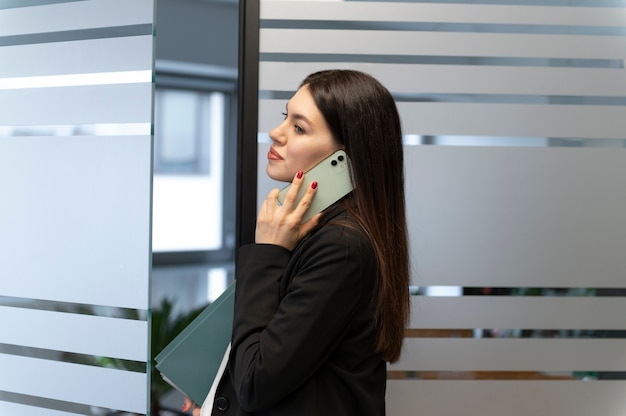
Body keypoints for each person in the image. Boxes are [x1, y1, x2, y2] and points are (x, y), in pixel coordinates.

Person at [183, 69, 410, 415]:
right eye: (285, 117)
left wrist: (267, 253)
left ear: (343, 160)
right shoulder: (317, 232)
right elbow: (288, 368)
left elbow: (257, 382)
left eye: (299, 127)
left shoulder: (341, 247)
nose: (276, 132)